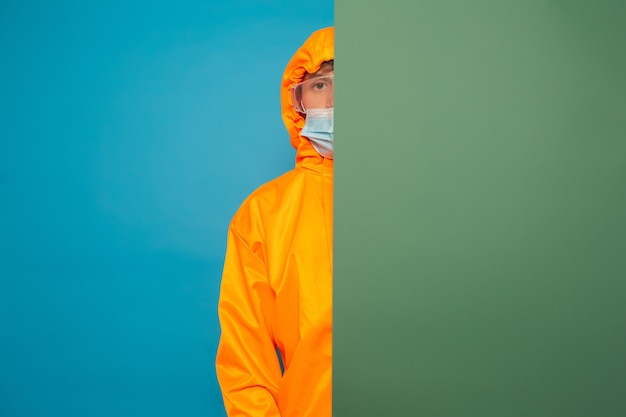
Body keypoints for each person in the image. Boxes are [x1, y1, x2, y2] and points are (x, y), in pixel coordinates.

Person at [215, 26, 334, 417]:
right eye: (320, 85)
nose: (335, 98)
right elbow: (246, 362)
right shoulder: (265, 213)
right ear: (297, 101)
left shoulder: (424, 201)